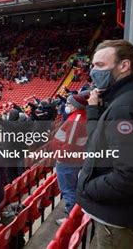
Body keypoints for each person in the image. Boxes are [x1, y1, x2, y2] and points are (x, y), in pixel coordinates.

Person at [76, 40, 133, 249]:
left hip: (117, 223)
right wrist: (94, 110)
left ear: (124, 65)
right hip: (119, 217)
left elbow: (132, 175)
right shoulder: (124, 100)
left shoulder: (126, 107)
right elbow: (99, 143)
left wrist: (87, 187)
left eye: (99, 65)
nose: (93, 72)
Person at [51, 91, 89, 226]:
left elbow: (70, 143)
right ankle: (74, 216)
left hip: (67, 161)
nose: (66, 105)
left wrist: (60, 157)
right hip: (75, 159)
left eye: (68, 103)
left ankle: (72, 222)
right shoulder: (81, 117)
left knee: (68, 190)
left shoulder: (76, 120)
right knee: (72, 189)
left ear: (75, 106)